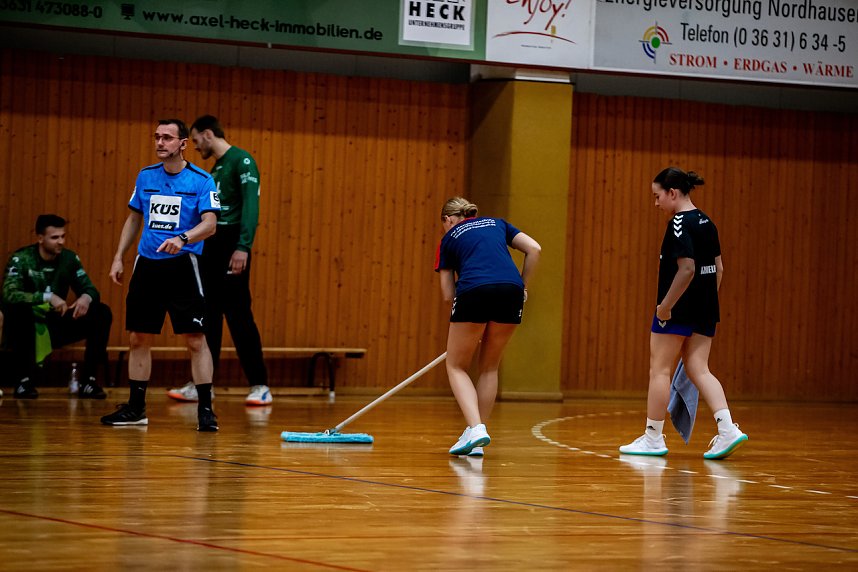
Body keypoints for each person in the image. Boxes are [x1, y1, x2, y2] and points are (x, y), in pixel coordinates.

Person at [619, 167, 748, 460]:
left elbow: (687, 268)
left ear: (672, 193)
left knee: (660, 369)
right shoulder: (707, 221)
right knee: (700, 369)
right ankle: (727, 428)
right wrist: (707, 304)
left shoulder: (679, 223)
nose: (656, 203)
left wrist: (666, 306)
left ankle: (652, 437)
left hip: (678, 308)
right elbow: (720, 269)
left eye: (657, 196)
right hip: (705, 306)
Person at [102, 119, 220, 431]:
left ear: (183, 144)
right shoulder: (145, 176)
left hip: (183, 266)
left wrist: (182, 239)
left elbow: (210, 224)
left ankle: (206, 410)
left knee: (195, 339)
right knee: (138, 337)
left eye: (167, 137)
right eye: (157, 137)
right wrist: (119, 257)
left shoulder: (202, 180)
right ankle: (136, 408)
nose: (160, 142)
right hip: (148, 266)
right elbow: (133, 218)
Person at [165, 115, 271, 406]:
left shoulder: (242, 161)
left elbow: (251, 206)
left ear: (208, 134)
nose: (196, 147)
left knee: (238, 314)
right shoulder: (218, 168)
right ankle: (204, 384)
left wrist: (243, 246)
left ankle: (259, 384)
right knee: (207, 315)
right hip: (210, 247)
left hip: (231, 245)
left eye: (196, 140)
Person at [435, 197, 541, 456]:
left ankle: (476, 428)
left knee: (456, 365)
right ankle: (477, 434)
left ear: (448, 220)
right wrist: (523, 285)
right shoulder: (498, 223)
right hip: (511, 291)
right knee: (489, 366)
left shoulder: (448, 239)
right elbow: (534, 248)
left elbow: (448, 294)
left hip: (474, 291)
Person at [2, 214, 111, 399]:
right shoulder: (21, 259)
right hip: (28, 326)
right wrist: (47, 297)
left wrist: (86, 297)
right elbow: (9, 294)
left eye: (63, 236)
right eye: (55, 237)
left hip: (56, 324)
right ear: (40, 238)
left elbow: (90, 289)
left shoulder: (69, 259)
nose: (60, 241)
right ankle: (23, 381)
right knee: (19, 311)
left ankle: (89, 381)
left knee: (101, 312)